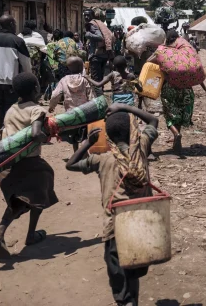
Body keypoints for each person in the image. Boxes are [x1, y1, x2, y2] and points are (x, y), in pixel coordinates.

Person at [66, 103, 158, 306]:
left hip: (115, 227)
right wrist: (126, 107)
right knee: (133, 272)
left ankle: (127, 302)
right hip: (141, 223)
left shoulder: (103, 159)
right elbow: (154, 120)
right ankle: (133, 300)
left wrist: (87, 144)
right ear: (133, 129)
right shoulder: (142, 147)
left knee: (119, 276)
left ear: (107, 134)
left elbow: (70, 165)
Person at [0, 72, 58, 259]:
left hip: (8, 164)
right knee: (39, 193)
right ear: (36, 89)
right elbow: (35, 133)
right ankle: (30, 235)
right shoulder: (36, 109)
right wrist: (44, 137)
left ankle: (0, 232)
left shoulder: (11, 109)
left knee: (19, 201)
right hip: (30, 165)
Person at [149, 30, 206, 153]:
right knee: (179, 115)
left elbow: (148, 62)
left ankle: (175, 133)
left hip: (170, 88)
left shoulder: (163, 52)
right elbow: (194, 72)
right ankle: (176, 143)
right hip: (186, 89)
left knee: (170, 115)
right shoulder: (186, 52)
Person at [49, 57, 95, 151]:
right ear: (81, 67)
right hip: (85, 113)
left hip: (71, 114)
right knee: (84, 135)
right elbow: (91, 96)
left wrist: (51, 106)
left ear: (69, 68)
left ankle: (76, 153)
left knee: (74, 136)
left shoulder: (64, 80)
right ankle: (83, 154)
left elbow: (55, 95)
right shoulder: (85, 80)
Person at [85, 8, 115, 95]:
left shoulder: (92, 25)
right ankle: (100, 94)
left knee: (95, 79)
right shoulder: (99, 23)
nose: (86, 17)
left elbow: (100, 37)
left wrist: (88, 35)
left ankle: (98, 98)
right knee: (100, 77)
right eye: (85, 15)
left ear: (93, 16)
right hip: (103, 55)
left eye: (88, 15)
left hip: (96, 56)